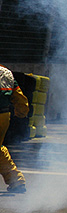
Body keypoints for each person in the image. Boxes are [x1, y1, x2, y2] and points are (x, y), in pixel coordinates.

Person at [0, 65, 29, 193]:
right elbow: (19, 97)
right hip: (4, 116)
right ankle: (16, 181)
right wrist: (21, 113)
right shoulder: (6, 72)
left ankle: (16, 180)